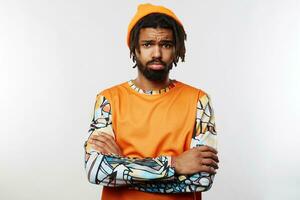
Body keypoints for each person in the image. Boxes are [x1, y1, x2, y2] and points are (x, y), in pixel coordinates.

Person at [84, 3, 219, 200]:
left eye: (165, 44)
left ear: (176, 49)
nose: (156, 53)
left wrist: (122, 164)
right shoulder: (108, 100)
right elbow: (97, 171)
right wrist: (174, 164)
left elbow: (201, 179)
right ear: (135, 48)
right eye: (148, 44)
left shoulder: (199, 100)